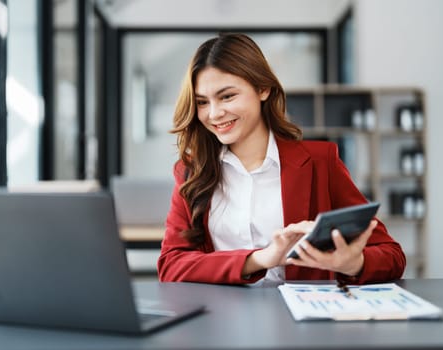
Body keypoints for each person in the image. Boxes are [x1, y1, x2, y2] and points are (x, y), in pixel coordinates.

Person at [157, 33, 406, 285]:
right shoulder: (191, 171)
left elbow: (392, 255)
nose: (214, 113)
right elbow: (171, 265)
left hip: (299, 317)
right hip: (219, 316)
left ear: (263, 89)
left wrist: (354, 263)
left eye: (227, 96)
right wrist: (261, 259)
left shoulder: (321, 162)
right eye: (202, 102)